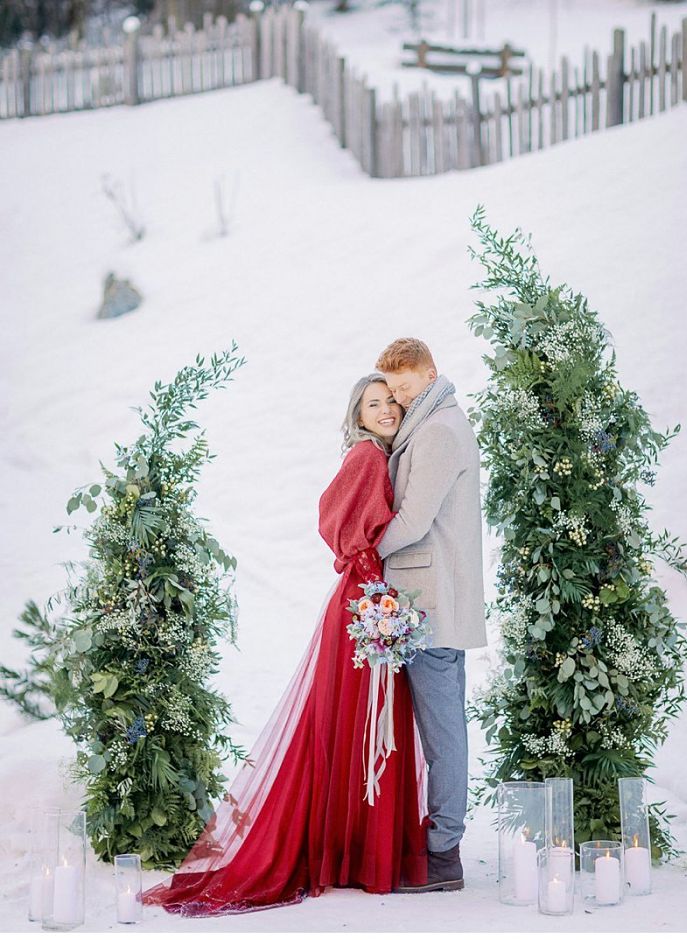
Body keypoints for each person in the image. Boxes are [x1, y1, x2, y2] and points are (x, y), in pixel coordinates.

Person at [141, 373, 429, 916]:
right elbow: (334, 518)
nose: (387, 409)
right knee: (364, 721)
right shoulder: (368, 457)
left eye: (391, 400)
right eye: (374, 403)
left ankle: (352, 852)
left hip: (368, 599)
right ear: (358, 415)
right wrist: (369, 578)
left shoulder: (378, 456)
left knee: (357, 723)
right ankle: (359, 855)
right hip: (367, 606)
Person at [373, 338, 487, 894]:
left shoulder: (440, 431)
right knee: (444, 730)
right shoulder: (435, 422)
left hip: (430, 603)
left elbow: (415, 519)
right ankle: (441, 847)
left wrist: (369, 554)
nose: (396, 400)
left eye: (405, 387)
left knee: (443, 735)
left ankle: (444, 854)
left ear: (430, 374)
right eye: (391, 390)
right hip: (431, 599)